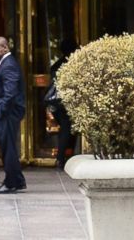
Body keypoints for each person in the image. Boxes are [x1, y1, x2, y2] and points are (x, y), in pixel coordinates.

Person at [0, 36, 26, 194]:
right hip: (6, 113)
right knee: (7, 147)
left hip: (8, 113)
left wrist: (1, 110)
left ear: (5, 48)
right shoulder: (3, 63)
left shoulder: (8, 65)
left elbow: (10, 92)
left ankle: (11, 183)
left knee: (8, 148)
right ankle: (17, 180)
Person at [50, 39, 79, 169]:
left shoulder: (56, 65)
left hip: (58, 103)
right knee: (68, 129)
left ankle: (65, 155)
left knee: (66, 129)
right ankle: (62, 157)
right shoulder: (73, 64)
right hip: (67, 102)